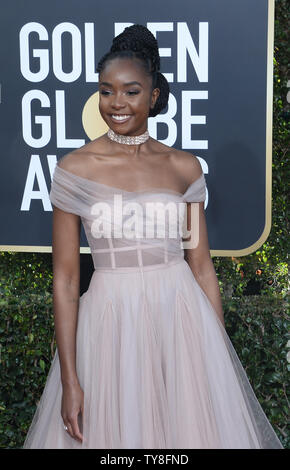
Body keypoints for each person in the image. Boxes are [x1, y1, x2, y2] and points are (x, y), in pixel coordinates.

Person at [23, 24, 283, 449]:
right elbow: (67, 280)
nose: (117, 104)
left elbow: (200, 265)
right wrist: (71, 379)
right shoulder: (75, 168)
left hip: (180, 317)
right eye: (106, 91)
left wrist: (215, 357)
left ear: (154, 95)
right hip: (109, 322)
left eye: (130, 91)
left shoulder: (184, 168)